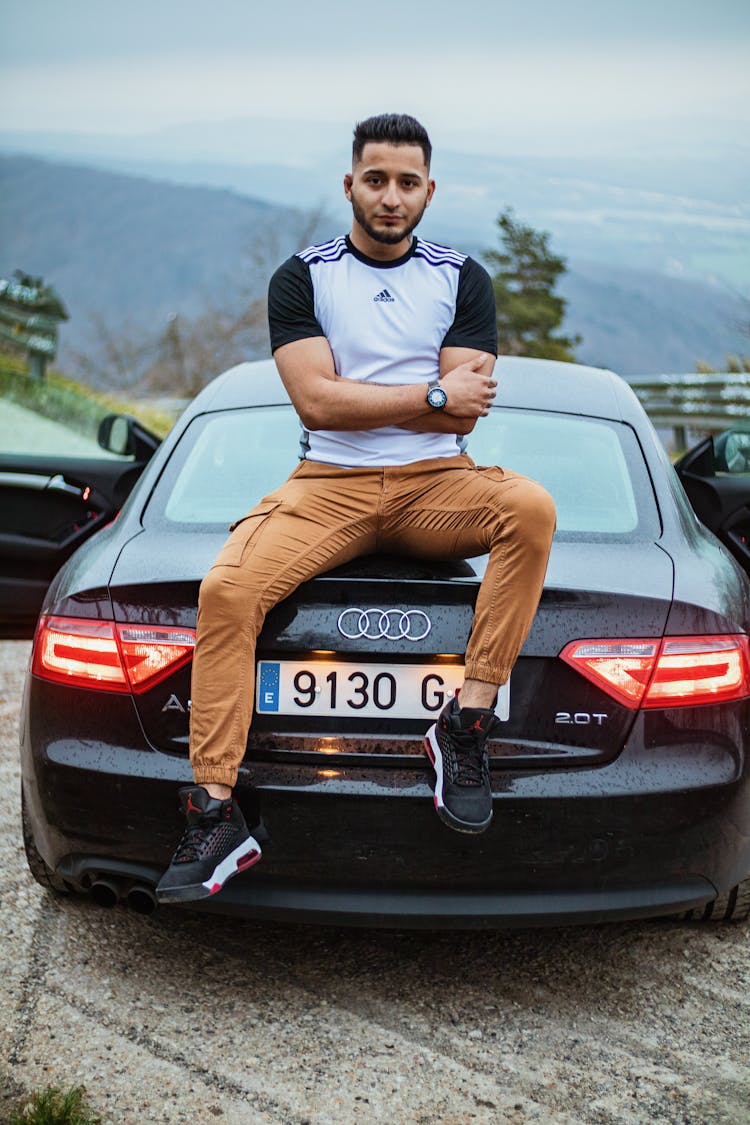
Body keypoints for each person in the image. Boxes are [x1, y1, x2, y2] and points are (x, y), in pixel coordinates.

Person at [155, 113, 556, 905]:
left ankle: (464, 726)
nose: (391, 196)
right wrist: (430, 391)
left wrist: (402, 401)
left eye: (408, 182)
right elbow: (316, 402)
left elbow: (462, 415)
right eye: (376, 179)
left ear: (429, 191)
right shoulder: (302, 277)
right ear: (350, 184)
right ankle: (214, 809)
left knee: (531, 508)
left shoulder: (461, 277)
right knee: (227, 592)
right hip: (325, 489)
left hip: (437, 487)